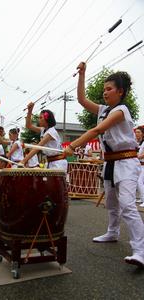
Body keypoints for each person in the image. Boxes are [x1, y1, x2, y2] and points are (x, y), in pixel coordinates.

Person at [64, 61, 144, 267]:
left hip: (126, 161)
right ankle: (112, 232)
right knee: (111, 203)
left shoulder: (122, 110)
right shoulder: (103, 109)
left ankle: (140, 250)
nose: (105, 93)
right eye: (104, 89)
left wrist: (72, 146)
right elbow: (82, 100)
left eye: (109, 89)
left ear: (121, 91)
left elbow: (97, 130)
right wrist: (82, 74)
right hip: (109, 163)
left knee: (127, 204)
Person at [20, 103, 68, 172]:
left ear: (47, 119)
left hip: (58, 163)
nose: (38, 120)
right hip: (51, 161)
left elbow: (38, 147)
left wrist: (23, 161)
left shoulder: (51, 132)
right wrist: (30, 111)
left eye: (40, 118)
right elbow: (28, 126)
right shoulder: (43, 130)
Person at [135, 127, 144, 207]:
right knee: (138, 182)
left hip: (143, 165)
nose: (136, 133)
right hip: (138, 165)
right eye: (136, 132)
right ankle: (141, 198)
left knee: (139, 182)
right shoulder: (137, 142)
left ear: (142, 134)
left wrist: (138, 157)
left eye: (138, 132)